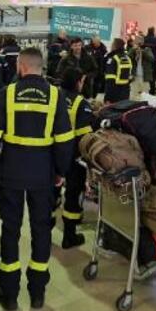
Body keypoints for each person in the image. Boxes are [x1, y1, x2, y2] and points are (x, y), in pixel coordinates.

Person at [0, 47, 74, 311]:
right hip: (43, 175)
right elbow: (65, 142)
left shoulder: (7, 93)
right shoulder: (56, 96)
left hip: (10, 174)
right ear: (40, 67)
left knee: (10, 230)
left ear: (20, 66)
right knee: (41, 230)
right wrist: (60, 172)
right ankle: (37, 292)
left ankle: (9, 294)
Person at [57, 67, 94, 249]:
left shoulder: (55, 95)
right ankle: (69, 235)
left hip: (52, 152)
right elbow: (84, 136)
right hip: (72, 156)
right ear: (78, 81)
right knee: (73, 193)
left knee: (53, 191)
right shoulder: (81, 103)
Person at [104, 38, 132, 104]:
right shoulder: (127, 58)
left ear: (115, 46)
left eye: (112, 45)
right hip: (125, 93)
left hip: (114, 94)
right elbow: (129, 77)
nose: (111, 46)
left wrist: (107, 97)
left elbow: (110, 79)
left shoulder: (112, 59)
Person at [143, 27, 156, 94]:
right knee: (153, 75)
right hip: (154, 59)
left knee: (145, 75)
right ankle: (153, 90)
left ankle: (145, 90)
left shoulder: (144, 39)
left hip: (145, 60)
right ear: (153, 31)